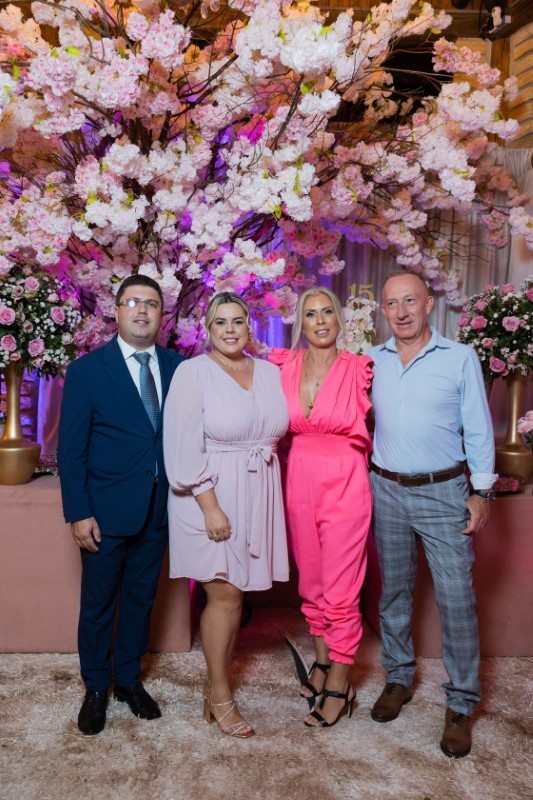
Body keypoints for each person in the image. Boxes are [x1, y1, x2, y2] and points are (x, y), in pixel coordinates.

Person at [369, 270, 496, 759]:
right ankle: (398, 677)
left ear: (428, 304)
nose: (401, 312)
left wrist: (481, 492)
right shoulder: (371, 360)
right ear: (383, 311)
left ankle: (461, 701)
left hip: (444, 492)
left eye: (410, 301)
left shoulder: (459, 357)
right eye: (392, 303)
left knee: (456, 598)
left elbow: (478, 427)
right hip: (386, 489)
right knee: (394, 591)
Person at [58, 274, 184, 735]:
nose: (142, 310)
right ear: (116, 311)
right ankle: (95, 687)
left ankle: (128, 681)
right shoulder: (88, 371)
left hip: (159, 508)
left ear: (161, 314)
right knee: (98, 605)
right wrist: (78, 512)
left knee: (140, 600)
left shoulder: (179, 368)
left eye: (151, 303)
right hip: (104, 513)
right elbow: (71, 451)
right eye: (133, 302)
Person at [163, 292, 289, 738]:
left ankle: (212, 689)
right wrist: (210, 506)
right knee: (225, 596)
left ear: (249, 326)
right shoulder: (192, 372)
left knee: (236, 598)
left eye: (238, 321)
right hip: (208, 493)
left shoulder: (270, 372)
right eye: (221, 322)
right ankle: (220, 697)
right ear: (207, 328)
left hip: (257, 490)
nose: (230, 330)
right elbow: (181, 446)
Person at [269, 287, 373, 729]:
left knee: (341, 588)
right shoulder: (285, 365)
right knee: (311, 582)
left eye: (327, 311)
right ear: (301, 324)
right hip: (300, 480)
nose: (320, 320)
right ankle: (322, 662)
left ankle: (341, 686)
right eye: (310, 314)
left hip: (345, 480)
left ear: (339, 319)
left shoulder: (359, 367)